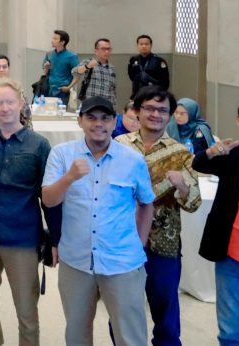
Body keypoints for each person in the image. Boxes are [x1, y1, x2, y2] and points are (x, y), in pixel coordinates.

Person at [42, 96, 155, 346]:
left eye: (105, 118)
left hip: (122, 261)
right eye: (91, 118)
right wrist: (69, 177)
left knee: (131, 336)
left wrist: (139, 244)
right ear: (80, 121)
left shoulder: (133, 159)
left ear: (114, 122)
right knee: (77, 335)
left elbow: (147, 203)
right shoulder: (61, 154)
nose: (98, 124)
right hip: (76, 260)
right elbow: (49, 200)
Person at [0, 79, 54, 346]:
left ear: (20, 103)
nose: (4, 108)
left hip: (23, 238)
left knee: (27, 312)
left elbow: (48, 196)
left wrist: (54, 238)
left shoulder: (39, 145)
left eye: (9, 102)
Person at [116, 87, 201, 346]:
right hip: (122, 240)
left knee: (165, 312)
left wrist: (182, 186)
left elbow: (194, 203)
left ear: (170, 116)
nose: (156, 114)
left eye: (162, 110)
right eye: (149, 108)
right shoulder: (118, 145)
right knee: (122, 311)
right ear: (137, 111)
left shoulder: (181, 153)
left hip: (163, 242)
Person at [192, 95, 239, 345]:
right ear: (238, 120)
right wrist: (211, 151)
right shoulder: (231, 155)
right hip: (232, 258)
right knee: (231, 335)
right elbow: (198, 163)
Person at [74, 38, 117, 106]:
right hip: (90, 105)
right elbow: (74, 72)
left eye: (109, 49)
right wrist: (87, 66)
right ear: (96, 51)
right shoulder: (88, 62)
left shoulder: (111, 68)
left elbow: (113, 89)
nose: (107, 51)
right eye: (103, 49)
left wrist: (113, 106)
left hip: (106, 105)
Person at [42, 29, 78, 104]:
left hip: (62, 91)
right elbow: (45, 73)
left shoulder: (72, 56)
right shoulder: (49, 54)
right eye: (53, 38)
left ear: (62, 42)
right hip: (49, 89)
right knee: (48, 111)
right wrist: (46, 68)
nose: (52, 40)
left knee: (60, 111)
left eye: (55, 39)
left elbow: (78, 75)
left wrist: (69, 87)